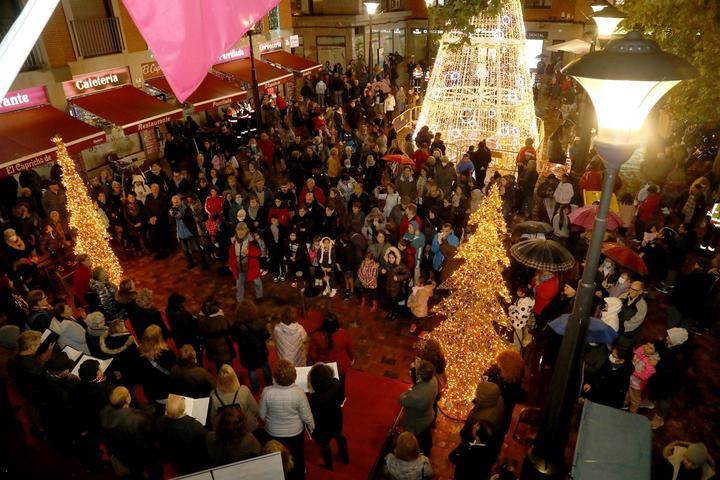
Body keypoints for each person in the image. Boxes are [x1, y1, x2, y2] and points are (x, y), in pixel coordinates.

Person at [259, 359, 315, 480]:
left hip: (273, 433)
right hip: (295, 433)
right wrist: (312, 426)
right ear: (293, 376)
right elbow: (306, 415)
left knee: (276, 460)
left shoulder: (267, 392)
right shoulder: (299, 392)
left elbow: (262, 415)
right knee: (297, 456)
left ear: (275, 376)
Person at [100, 386, 161, 479]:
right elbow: (150, 436)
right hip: (139, 452)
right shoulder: (137, 418)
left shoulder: (104, 412)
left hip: (121, 452)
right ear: (127, 399)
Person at [308, 363, 349, 470]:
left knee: (325, 443)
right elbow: (341, 400)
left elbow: (312, 412)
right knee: (339, 435)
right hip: (336, 416)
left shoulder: (314, 397)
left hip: (322, 423)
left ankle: (329, 465)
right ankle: (345, 457)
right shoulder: (337, 384)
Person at [157, 394, 209, 474]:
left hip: (172, 455)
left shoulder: (160, 422)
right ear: (184, 408)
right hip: (191, 458)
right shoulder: (195, 426)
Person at [307, 313, 354, 399]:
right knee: (341, 383)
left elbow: (312, 355)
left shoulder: (316, 336)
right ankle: (341, 399)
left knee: (325, 385)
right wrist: (351, 358)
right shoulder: (343, 334)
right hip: (341, 366)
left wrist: (309, 365)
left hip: (325, 367)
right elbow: (350, 348)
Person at [399, 360, 438, 456]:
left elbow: (402, 399)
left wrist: (408, 391)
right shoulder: (433, 380)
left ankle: (420, 453)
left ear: (420, 376)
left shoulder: (416, 396)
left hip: (417, 423)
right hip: (428, 416)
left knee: (418, 440)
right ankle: (428, 448)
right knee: (426, 436)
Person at [484, 350, 526, 432]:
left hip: (499, 421)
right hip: (487, 417)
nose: (498, 366)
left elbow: (520, 397)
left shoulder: (513, 384)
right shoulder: (495, 371)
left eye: (501, 364)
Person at [209, 364, 260, 430]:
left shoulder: (213, 395)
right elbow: (255, 410)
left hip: (225, 430)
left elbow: (212, 418)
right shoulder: (243, 390)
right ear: (234, 377)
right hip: (244, 428)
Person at [137, 324, 177, 406]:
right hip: (169, 394)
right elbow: (175, 373)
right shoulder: (168, 354)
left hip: (153, 396)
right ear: (160, 338)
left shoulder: (139, 355)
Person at [197, 296, 236, 370]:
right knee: (229, 367)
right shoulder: (221, 320)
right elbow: (230, 329)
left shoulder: (201, 320)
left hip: (212, 348)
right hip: (224, 349)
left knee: (219, 366)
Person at [228, 222, 263, 303]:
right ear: (236, 231)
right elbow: (231, 255)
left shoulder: (252, 241)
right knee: (239, 284)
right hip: (239, 267)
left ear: (246, 231)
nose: (240, 232)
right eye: (239, 230)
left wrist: (249, 252)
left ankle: (259, 297)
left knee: (257, 282)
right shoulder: (233, 242)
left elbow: (258, 252)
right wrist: (230, 264)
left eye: (242, 230)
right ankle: (239, 300)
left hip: (251, 267)